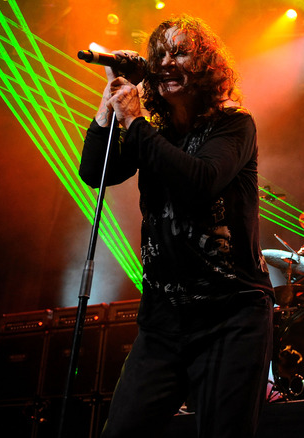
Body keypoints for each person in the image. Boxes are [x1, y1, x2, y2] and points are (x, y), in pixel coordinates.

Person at [79, 15, 274, 438]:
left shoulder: (233, 125)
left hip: (230, 314)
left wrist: (134, 122)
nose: (167, 61)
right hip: (163, 320)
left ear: (205, 65)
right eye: (160, 54)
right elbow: (96, 172)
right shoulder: (155, 131)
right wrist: (109, 104)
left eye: (180, 51)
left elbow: (198, 181)